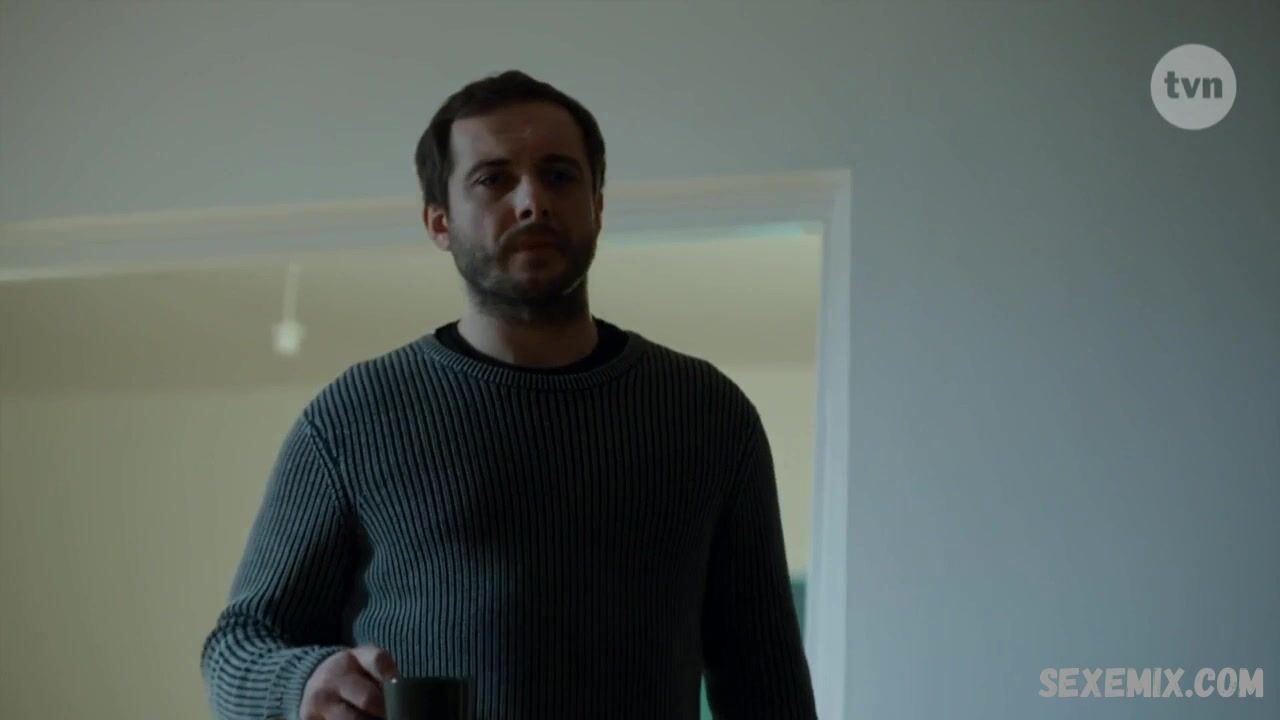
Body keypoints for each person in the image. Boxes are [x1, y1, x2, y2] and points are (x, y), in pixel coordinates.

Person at [200, 69, 817, 720]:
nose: (532, 202)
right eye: (493, 179)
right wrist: (301, 683)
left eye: (559, 176)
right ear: (439, 222)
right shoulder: (354, 416)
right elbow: (238, 645)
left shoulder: (707, 415)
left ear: (597, 206)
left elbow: (767, 680)